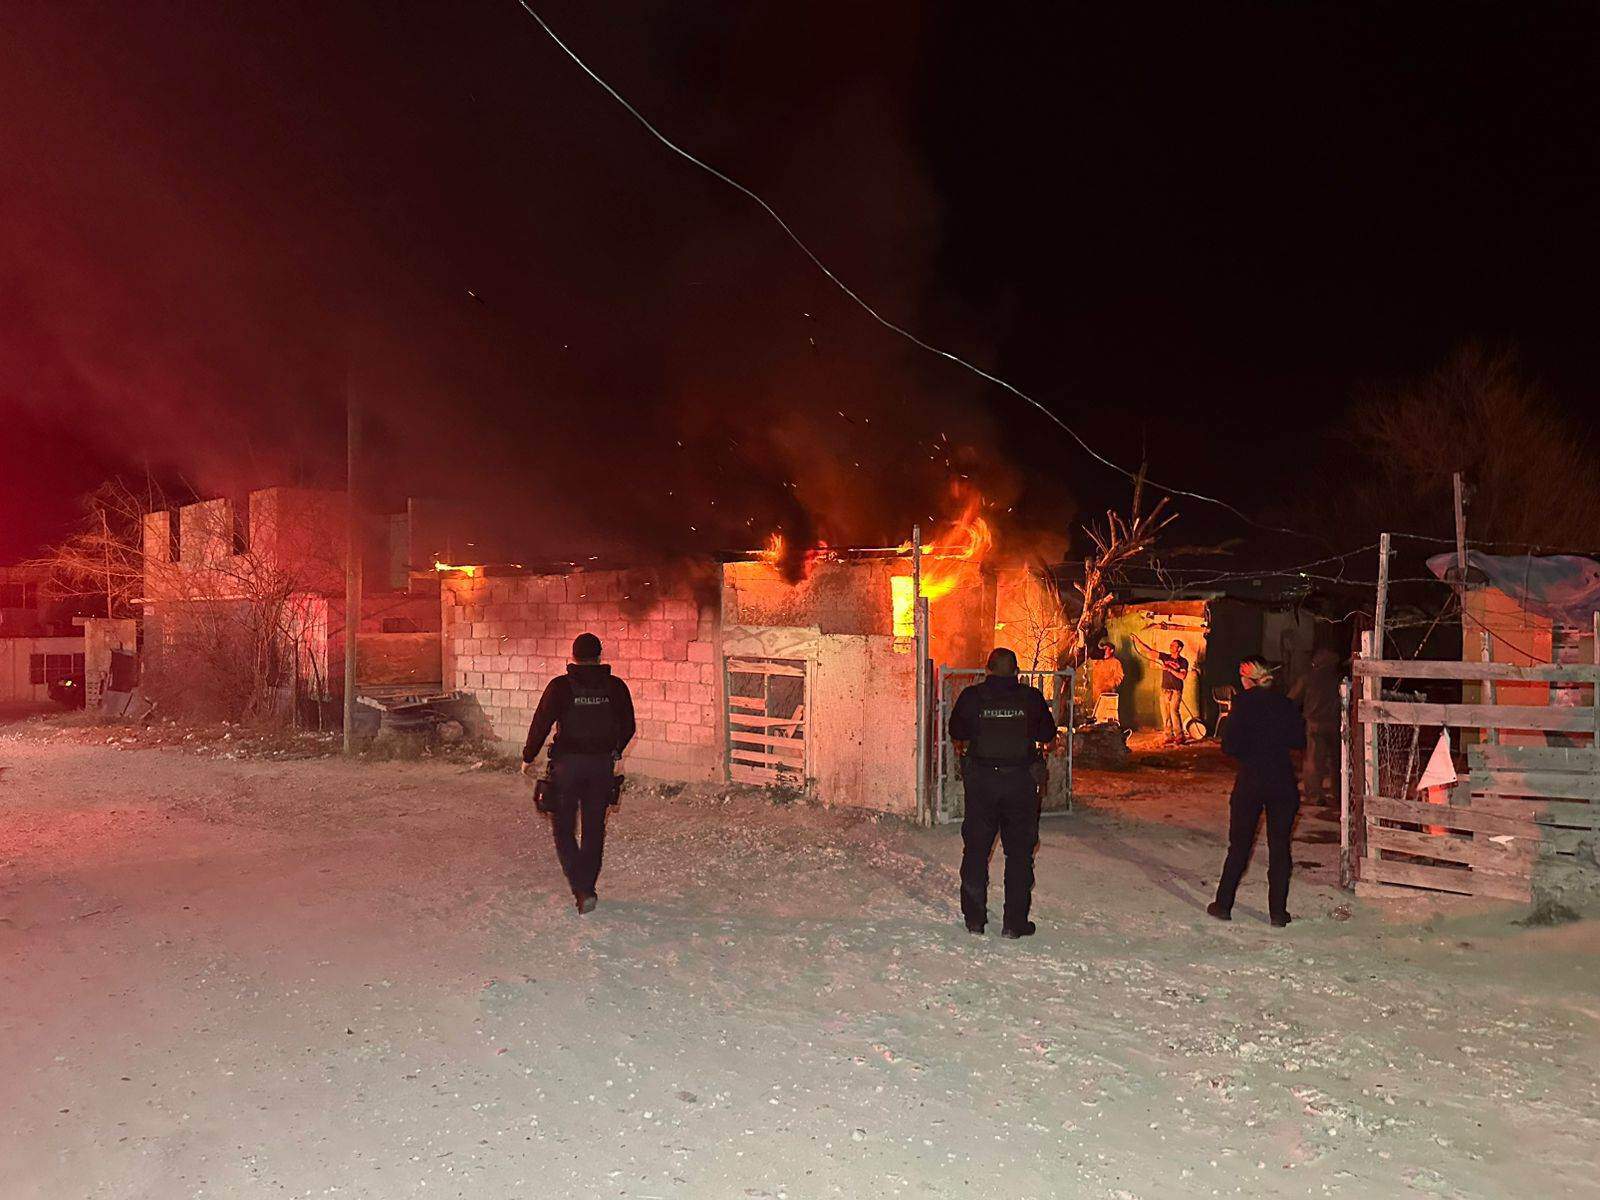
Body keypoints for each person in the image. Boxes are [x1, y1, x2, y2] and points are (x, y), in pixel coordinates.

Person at [521, 633, 636, 913]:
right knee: (595, 829)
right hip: (600, 767)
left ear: (573, 656)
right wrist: (616, 750)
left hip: (566, 768)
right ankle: (588, 886)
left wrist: (528, 756)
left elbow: (541, 723)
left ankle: (582, 888)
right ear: (600, 655)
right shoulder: (615, 686)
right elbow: (629, 725)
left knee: (563, 829)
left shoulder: (560, 686)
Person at [948, 647, 1058, 938]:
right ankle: (1014, 924)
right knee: (1020, 854)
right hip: (1020, 784)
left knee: (975, 852)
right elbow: (1047, 735)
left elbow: (956, 730)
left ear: (988, 670)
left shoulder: (973, 697)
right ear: (1016, 671)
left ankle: (974, 920)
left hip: (982, 783)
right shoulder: (1031, 698)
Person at [1208, 656, 1305, 927]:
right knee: (1279, 847)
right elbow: (1299, 739)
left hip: (1251, 780)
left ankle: (1223, 904)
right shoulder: (1284, 703)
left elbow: (1229, 746)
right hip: (1282, 781)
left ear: (1246, 680)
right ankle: (1277, 912)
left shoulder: (1243, 704)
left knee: (1239, 845)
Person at [1287, 647, 1340, 806]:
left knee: (1314, 760)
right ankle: (1339, 794)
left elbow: (1291, 699)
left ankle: (1315, 795)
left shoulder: (1308, 678)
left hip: (1314, 723)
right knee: (1337, 761)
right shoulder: (1337, 679)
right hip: (1336, 723)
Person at [1134, 635, 1190, 744]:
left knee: (1174, 712)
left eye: (1174, 645)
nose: (1171, 646)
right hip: (1165, 689)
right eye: (1171, 644)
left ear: (1179, 649)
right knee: (1165, 713)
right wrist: (1137, 641)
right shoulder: (1165, 657)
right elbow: (1150, 651)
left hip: (1176, 691)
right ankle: (1168, 735)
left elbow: (1182, 676)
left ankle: (1179, 736)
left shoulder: (1183, 661)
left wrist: (1169, 669)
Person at [1088, 641, 1125, 724]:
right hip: (1096, 692)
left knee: (1108, 715)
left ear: (1111, 650)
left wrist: (1110, 685)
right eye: (1102, 649)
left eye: (1105, 649)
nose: (1103, 651)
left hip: (1108, 694)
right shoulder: (1098, 661)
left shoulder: (1116, 663)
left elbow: (1119, 676)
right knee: (1097, 714)